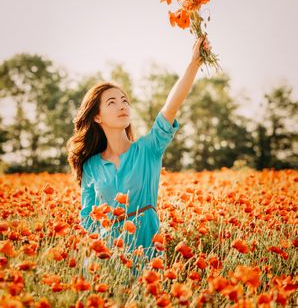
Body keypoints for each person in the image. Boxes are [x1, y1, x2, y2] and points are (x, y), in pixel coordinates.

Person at [67, 35, 211, 278]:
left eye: (125, 100)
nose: (122, 105)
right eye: (112, 102)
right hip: (105, 261)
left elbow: (171, 106)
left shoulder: (148, 149)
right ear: (97, 117)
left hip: (146, 253)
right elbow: (88, 218)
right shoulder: (91, 165)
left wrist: (194, 63)